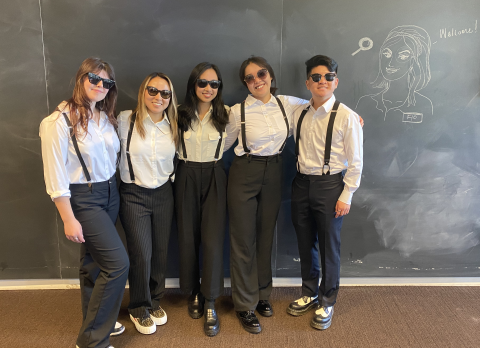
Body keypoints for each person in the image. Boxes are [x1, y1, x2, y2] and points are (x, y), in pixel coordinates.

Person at [40, 57, 129, 348]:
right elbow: (55, 176)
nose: (101, 85)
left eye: (107, 82)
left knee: (93, 264)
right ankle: (92, 341)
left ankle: (96, 320)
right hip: (83, 197)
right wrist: (68, 217)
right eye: (94, 78)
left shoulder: (104, 116)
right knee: (117, 265)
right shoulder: (58, 121)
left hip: (109, 192)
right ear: (81, 79)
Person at [224, 56, 308, 334]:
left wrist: (350, 114)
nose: (257, 80)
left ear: (270, 75)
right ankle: (244, 304)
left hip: (274, 171)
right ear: (245, 84)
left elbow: (320, 104)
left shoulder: (288, 103)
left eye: (261, 73)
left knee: (265, 236)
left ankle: (262, 295)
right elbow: (221, 143)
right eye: (250, 77)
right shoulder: (237, 112)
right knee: (243, 239)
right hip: (244, 172)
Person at [287, 55, 363, 330]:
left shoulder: (347, 116)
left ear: (336, 81)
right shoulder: (300, 112)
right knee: (305, 242)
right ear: (308, 82)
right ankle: (309, 292)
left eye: (328, 77)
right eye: (316, 77)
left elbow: (356, 162)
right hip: (300, 183)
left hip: (331, 186)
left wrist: (347, 195)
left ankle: (327, 300)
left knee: (330, 246)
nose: (322, 81)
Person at [117, 72, 178, 335]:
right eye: (153, 90)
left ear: (170, 98)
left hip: (164, 193)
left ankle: (154, 300)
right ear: (143, 92)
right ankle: (138, 307)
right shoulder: (124, 120)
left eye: (165, 93)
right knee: (142, 253)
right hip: (133, 194)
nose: (158, 97)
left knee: (161, 252)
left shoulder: (174, 125)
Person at [175, 62, 229, 337]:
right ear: (193, 84)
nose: (208, 88)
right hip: (185, 174)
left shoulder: (228, 114)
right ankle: (193, 291)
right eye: (203, 83)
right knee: (187, 237)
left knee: (212, 239)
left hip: (215, 174)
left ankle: (210, 300)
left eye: (214, 84)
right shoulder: (178, 114)